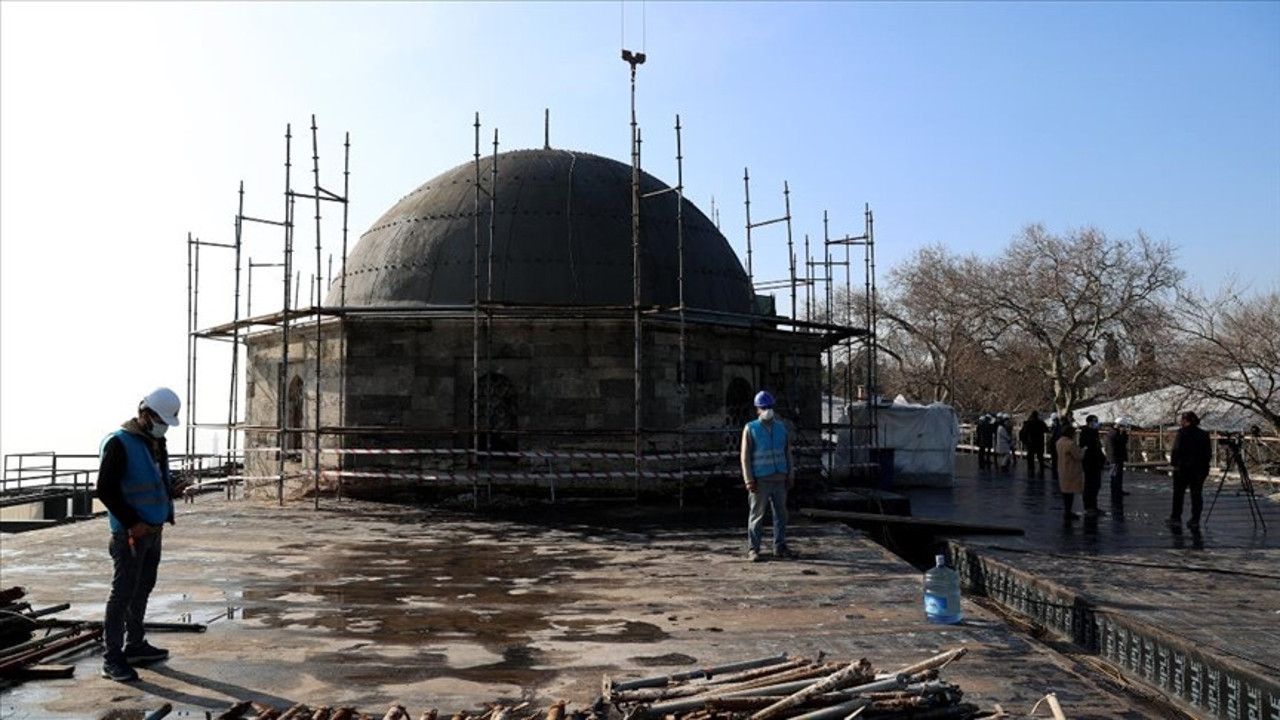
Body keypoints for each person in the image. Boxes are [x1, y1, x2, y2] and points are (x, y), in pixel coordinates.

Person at [96, 387, 191, 682]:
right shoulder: (119, 443)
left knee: (142, 589)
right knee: (122, 594)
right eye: (160, 420)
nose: (164, 427)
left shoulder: (156, 442)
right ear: (145, 413)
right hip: (130, 536)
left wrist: (172, 488)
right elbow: (105, 490)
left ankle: (135, 644)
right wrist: (130, 522)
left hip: (154, 531)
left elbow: (150, 481)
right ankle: (112, 658)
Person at [741, 390, 795, 562]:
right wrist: (749, 479)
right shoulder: (751, 428)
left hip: (780, 477)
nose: (767, 410)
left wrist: (790, 474)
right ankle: (753, 549)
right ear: (757, 409)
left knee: (781, 515)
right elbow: (745, 456)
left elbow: (788, 453)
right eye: (764, 407)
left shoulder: (781, 428)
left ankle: (780, 546)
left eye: (769, 407)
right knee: (757, 515)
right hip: (760, 480)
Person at [1168, 410, 1212, 531]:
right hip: (1199, 469)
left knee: (1178, 494)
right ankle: (1195, 519)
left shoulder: (1182, 433)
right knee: (1196, 494)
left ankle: (1176, 517)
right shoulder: (1203, 434)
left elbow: (1176, 449)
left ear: (1185, 421)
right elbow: (1208, 453)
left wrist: (1174, 463)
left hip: (1184, 468)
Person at [1056, 423, 1084, 521]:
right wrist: (1084, 450)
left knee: (1065, 492)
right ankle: (1068, 512)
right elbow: (1078, 456)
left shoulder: (1059, 442)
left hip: (1062, 468)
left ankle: (1067, 511)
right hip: (1071, 469)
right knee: (1070, 493)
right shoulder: (1070, 444)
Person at [1079, 414, 1106, 516]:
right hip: (1090, 462)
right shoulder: (1086, 433)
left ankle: (1093, 505)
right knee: (1090, 485)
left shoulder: (1094, 433)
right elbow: (1088, 447)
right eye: (1095, 422)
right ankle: (1089, 506)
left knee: (1095, 485)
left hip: (1096, 462)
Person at [1107, 418, 1132, 505]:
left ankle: (1118, 490)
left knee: (1118, 475)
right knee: (1115, 475)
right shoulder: (1114, 433)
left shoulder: (1113, 432)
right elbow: (1122, 441)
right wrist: (1124, 433)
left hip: (1117, 457)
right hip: (1115, 457)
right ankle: (1115, 491)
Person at [1020, 411, 1048, 475]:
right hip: (1039, 441)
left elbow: (1023, 432)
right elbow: (1046, 429)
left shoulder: (1028, 423)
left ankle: (1030, 468)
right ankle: (1041, 467)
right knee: (1040, 456)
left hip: (1030, 442)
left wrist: (1024, 441)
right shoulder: (1041, 423)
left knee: (1030, 456)